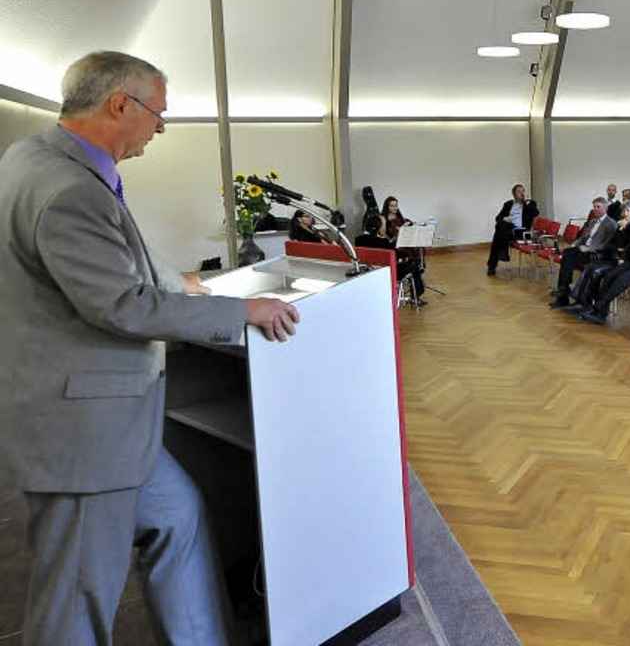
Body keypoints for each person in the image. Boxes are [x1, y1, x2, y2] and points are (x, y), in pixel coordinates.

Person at [0, 50, 300, 645]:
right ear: (120, 104)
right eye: (158, 114)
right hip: (83, 432)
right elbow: (120, 304)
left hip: (103, 422)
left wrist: (185, 283)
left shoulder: (34, 157)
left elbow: (108, 264)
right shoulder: (68, 190)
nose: (160, 127)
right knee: (75, 598)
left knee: (177, 515)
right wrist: (241, 311)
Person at [548, 198, 616, 308]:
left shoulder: (611, 224)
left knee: (567, 256)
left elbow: (607, 244)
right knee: (568, 253)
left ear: (605, 208)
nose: (595, 209)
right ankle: (563, 291)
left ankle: (563, 293)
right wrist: (575, 244)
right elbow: (583, 237)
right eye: (594, 207)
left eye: (598, 207)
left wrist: (589, 248)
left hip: (594, 253)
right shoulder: (592, 221)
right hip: (583, 250)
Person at [357, 215, 427, 304]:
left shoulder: (359, 239)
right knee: (415, 264)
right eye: (384, 225)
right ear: (379, 227)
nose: (384, 228)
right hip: (387, 272)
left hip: (368, 271)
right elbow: (396, 255)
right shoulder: (382, 242)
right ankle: (416, 296)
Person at [487, 183, 540, 275]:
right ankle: (501, 256)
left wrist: (526, 203)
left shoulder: (530, 203)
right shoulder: (508, 204)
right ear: (514, 194)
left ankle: (492, 265)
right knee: (502, 227)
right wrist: (505, 218)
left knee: (498, 235)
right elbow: (498, 218)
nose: (522, 193)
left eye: (523, 191)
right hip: (508, 229)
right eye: (519, 192)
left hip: (521, 231)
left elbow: (535, 213)